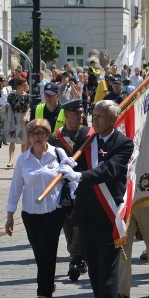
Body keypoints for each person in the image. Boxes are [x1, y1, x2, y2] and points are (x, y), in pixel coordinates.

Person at [57, 100, 134, 298]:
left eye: (101, 116)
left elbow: (110, 170)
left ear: (113, 120)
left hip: (109, 216)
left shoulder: (123, 144)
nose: (95, 119)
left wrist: (79, 175)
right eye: (95, 115)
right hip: (87, 215)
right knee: (94, 275)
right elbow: (78, 162)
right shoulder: (87, 139)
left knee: (108, 274)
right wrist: (69, 163)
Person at [5, 119, 71, 298]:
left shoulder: (57, 154)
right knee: (39, 252)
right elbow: (15, 188)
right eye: (34, 133)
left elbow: (70, 177)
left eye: (42, 133)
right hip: (30, 214)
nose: (38, 137)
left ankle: (42, 292)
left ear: (48, 134)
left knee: (47, 248)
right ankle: (48, 284)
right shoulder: (23, 160)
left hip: (53, 211)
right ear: (29, 137)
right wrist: (10, 215)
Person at [47, 98, 91, 282]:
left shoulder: (89, 134)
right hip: (63, 189)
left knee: (81, 223)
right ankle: (79, 258)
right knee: (68, 225)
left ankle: (76, 258)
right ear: (66, 115)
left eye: (81, 113)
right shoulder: (55, 138)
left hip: (83, 185)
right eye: (75, 113)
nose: (79, 116)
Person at [4, 79, 32, 167]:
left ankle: (23, 159)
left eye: (26, 85)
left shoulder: (27, 96)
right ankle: (11, 160)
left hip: (23, 118)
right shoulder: (12, 95)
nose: (26, 87)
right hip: (13, 118)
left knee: (23, 140)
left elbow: (29, 108)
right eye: (24, 85)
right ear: (19, 87)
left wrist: (26, 116)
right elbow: (7, 104)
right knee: (12, 140)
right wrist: (7, 106)